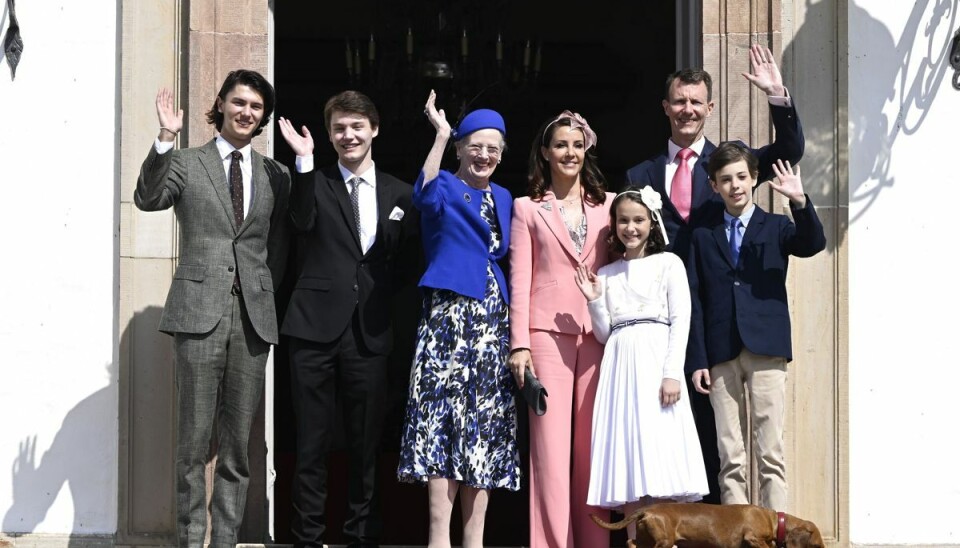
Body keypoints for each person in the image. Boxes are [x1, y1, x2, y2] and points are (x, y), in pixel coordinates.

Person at [625, 44, 805, 503]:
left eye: (695, 102)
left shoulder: (730, 166)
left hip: (725, 318)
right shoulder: (639, 172)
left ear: (709, 107)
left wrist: (778, 96)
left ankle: (730, 525)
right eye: (678, 101)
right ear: (666, 107)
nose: (687, 109)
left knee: (728, 436)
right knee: (668, 422)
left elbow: (790, 149)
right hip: (663, 318)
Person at [134, 69, 290, 547]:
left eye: (256, 107)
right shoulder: (185, 161)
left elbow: (278, 242)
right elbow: (148, 197)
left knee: (237, 448)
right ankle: (190, 540)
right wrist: (164, 137)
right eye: (239, 102)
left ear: (263, 116)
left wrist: (264, 290)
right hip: (199, 315)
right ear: (220, 103)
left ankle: (224, 541)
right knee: (194, 443)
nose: (247, 112)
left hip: (252, 321)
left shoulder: (275, 174)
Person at [277, 90, 419, 548]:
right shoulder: (312, 183)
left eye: (356, 126)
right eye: (339, 128)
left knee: (365, 446)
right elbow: (298, 224)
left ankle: (361, 536)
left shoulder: (400, 192)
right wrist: (302, 163)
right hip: (312, 330)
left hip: (369, 333)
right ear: (329, 134)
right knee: (312, 443)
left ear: (374, 129)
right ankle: (308, 537)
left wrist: (378, 302)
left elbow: (408, 264)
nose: (347, 135)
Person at [397, 90, 520, 548]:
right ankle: (437, 538)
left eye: (493, 148)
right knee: (439, 421)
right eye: (475, 145)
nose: (484, 155)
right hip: (447, 318)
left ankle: (475, 539)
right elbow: (423, 195)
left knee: (484, 425)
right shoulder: (444, 184)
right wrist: (441, 133)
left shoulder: (507, 197)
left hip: (491, 319)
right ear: (461, 148)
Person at [686, 143, 826, 510]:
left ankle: (775, 529)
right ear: (714, 186)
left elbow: (812, 243)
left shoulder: (777, 226)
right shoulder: (703, 236)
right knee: (729, 453)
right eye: (726, 180)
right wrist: (698, 359)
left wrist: (799, 202)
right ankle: (737, 533)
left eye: (742, 177)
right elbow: (696, 300)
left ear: (754, 180)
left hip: (766, 347)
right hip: (720, 351)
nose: (735, 186)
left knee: (770, 451)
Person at [574, 186, 709, 541]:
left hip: (655, 360)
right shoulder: (606, 274)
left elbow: (682, 320)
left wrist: (670, 374)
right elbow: (604, 333)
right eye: (623, 221)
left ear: (652, 222)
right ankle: (635, 537)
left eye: (638, 220)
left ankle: (664, 537)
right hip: (620, 367)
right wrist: (593, 301)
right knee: (629, 454)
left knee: (658, 450)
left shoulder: (669, 263)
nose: (630, 228)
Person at [508, 110, 615, 548]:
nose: (569, 152)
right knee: (550, 453)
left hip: (599, 335)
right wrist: (518, 346)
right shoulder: (527, 208)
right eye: (560, 145)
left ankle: (594, 542)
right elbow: (519, 279)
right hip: (545, 336)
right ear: (546, 152)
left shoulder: (609, 205)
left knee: (592, 450)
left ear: (585, 148)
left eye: (576, 144)